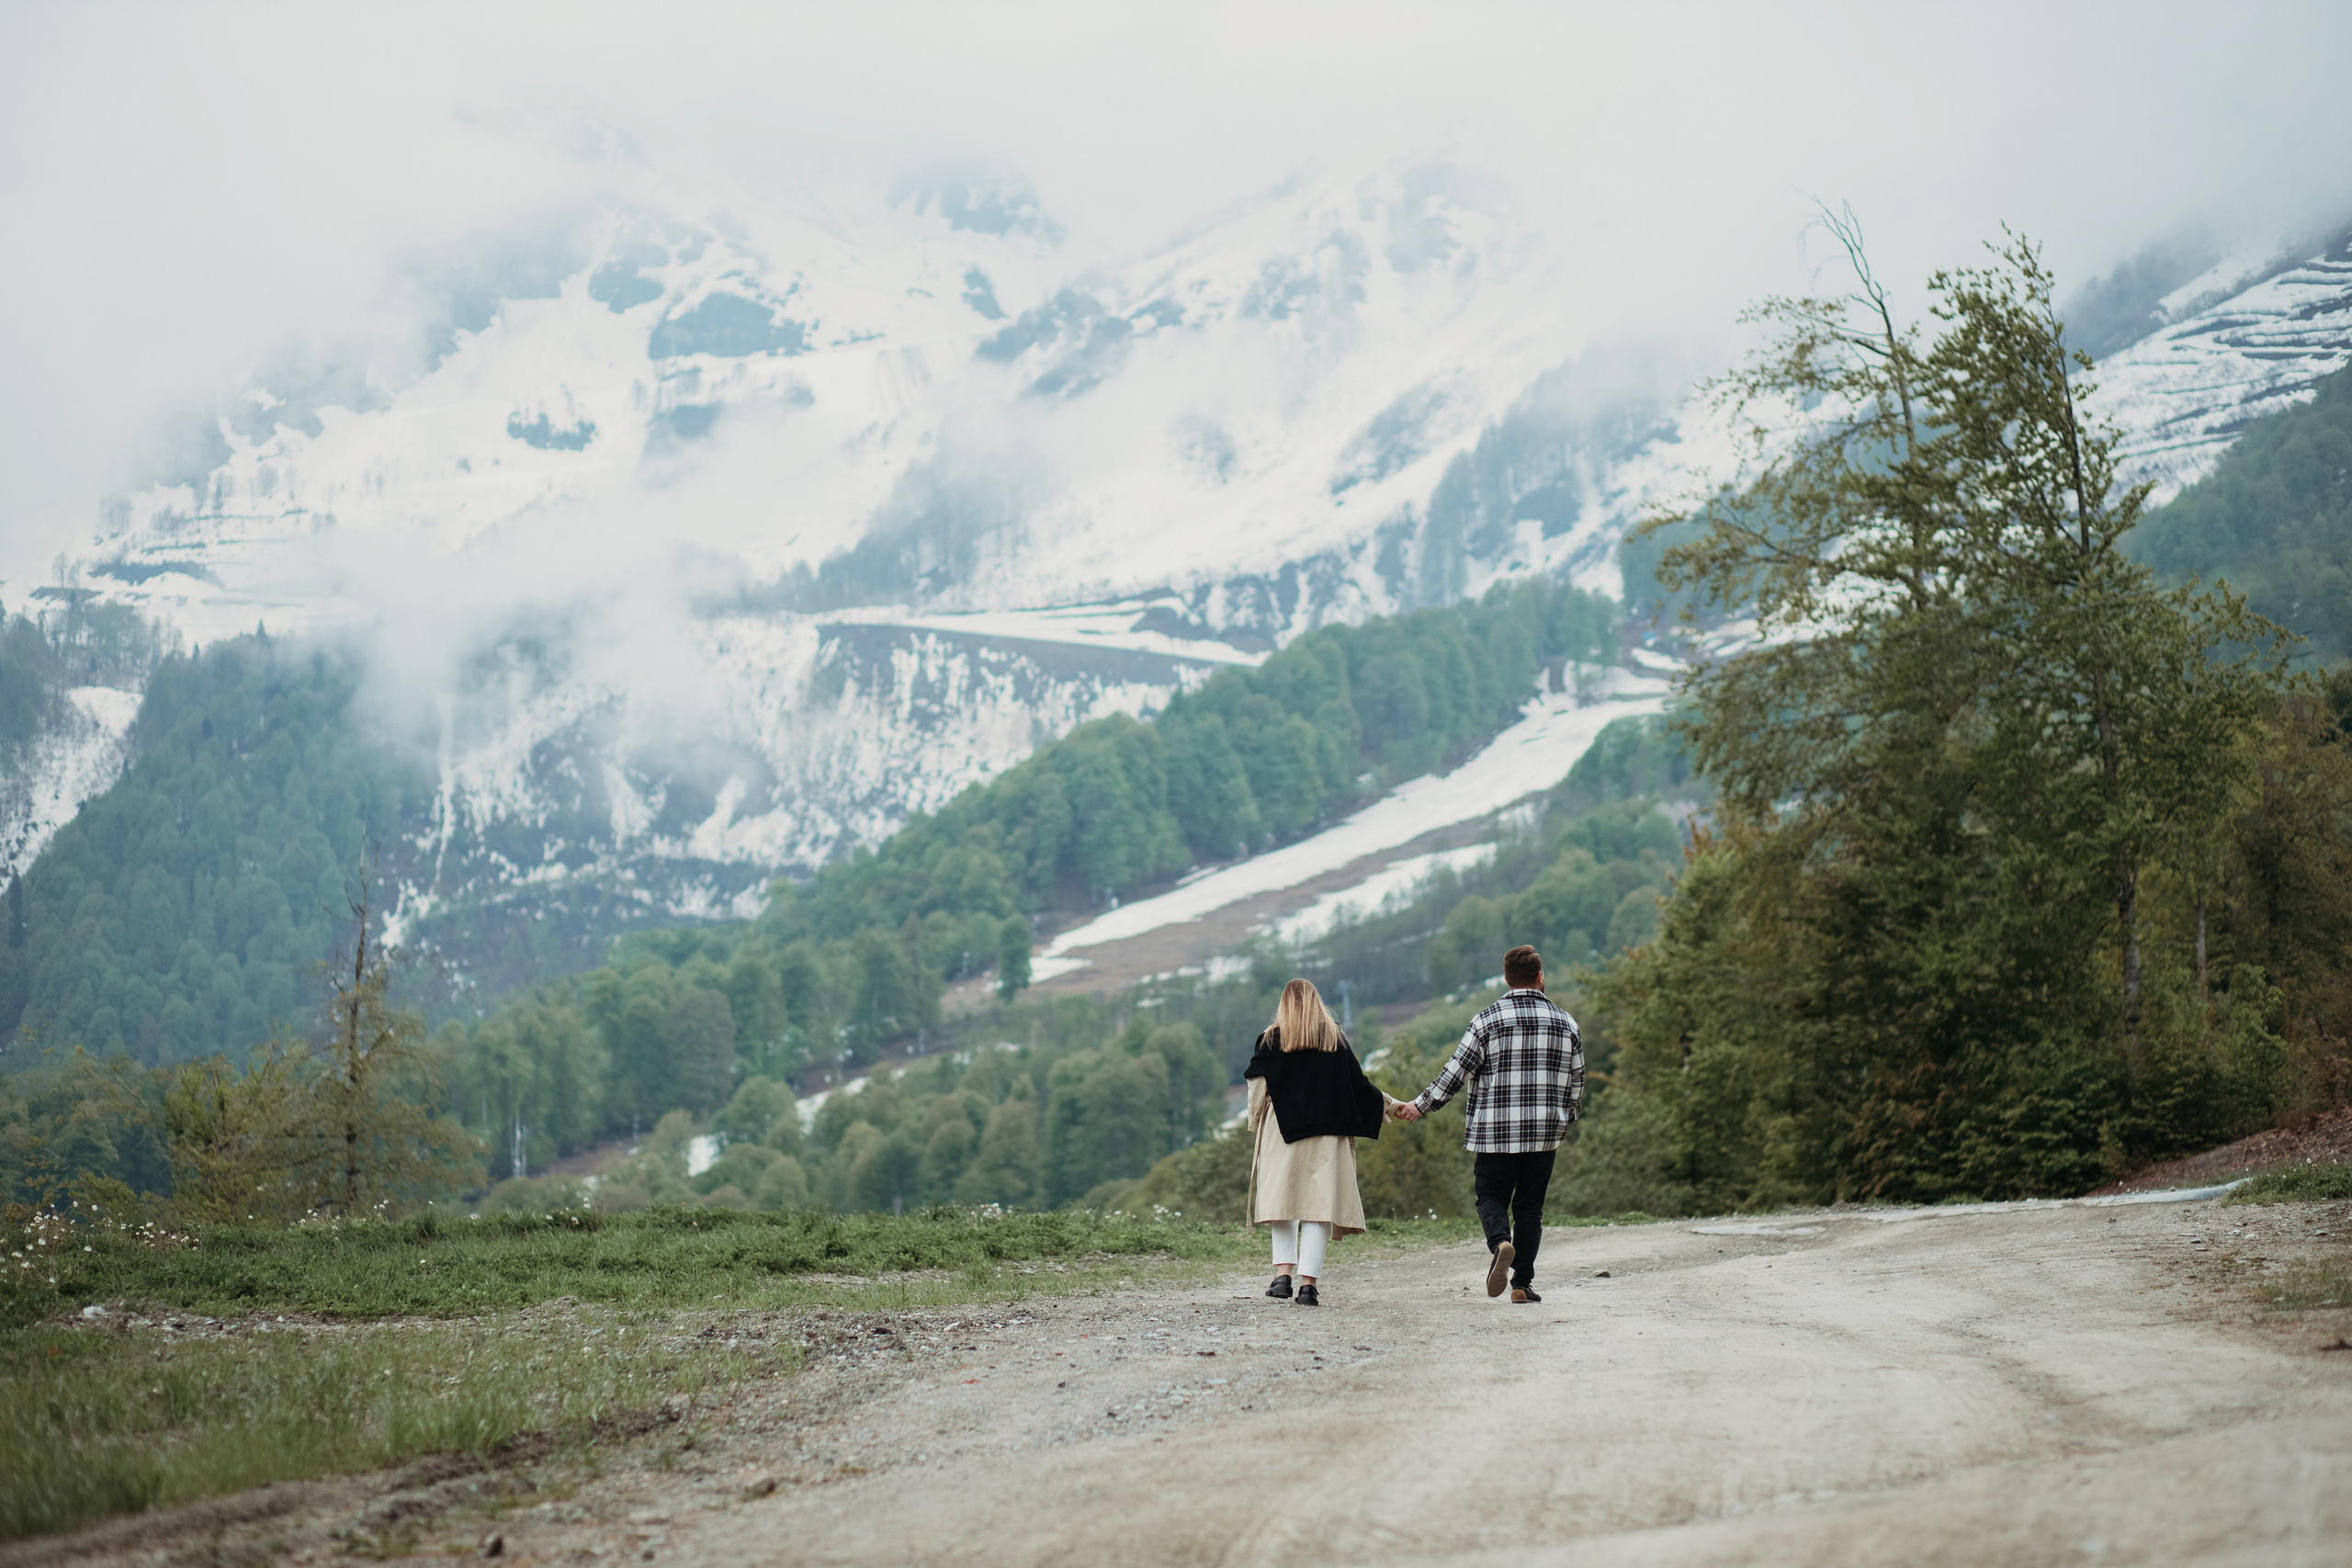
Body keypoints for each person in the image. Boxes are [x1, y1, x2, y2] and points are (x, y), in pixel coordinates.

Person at [1394, 944, 1583, 1303]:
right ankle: (1521, 1284)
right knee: (1530, 1208)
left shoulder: (1487, 1020)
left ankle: (1500, 1244)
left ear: (1507, 979)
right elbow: (1577, 1080)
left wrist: (1419, 1106)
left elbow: (1455, 1073)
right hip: (1543, 1134)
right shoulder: (1566, 1022)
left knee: (1491, 1196)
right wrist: (1565, 1119)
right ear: (1541, 978)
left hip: (1495, 1132)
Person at [1245, 978, 1389, 1306]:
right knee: (1316, 1209)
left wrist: (1255, 1122)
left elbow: (1257, 1087)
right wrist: (1389, 1106)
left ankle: (1282, 1277)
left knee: (1283, 1204)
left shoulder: (1271, 1039)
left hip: (1282, 1133)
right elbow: (1359, 1085)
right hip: (1327, 1137)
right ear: (1316, 1002)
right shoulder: (1333, 1038)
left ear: (1284, 1004)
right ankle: (1308, 1286)